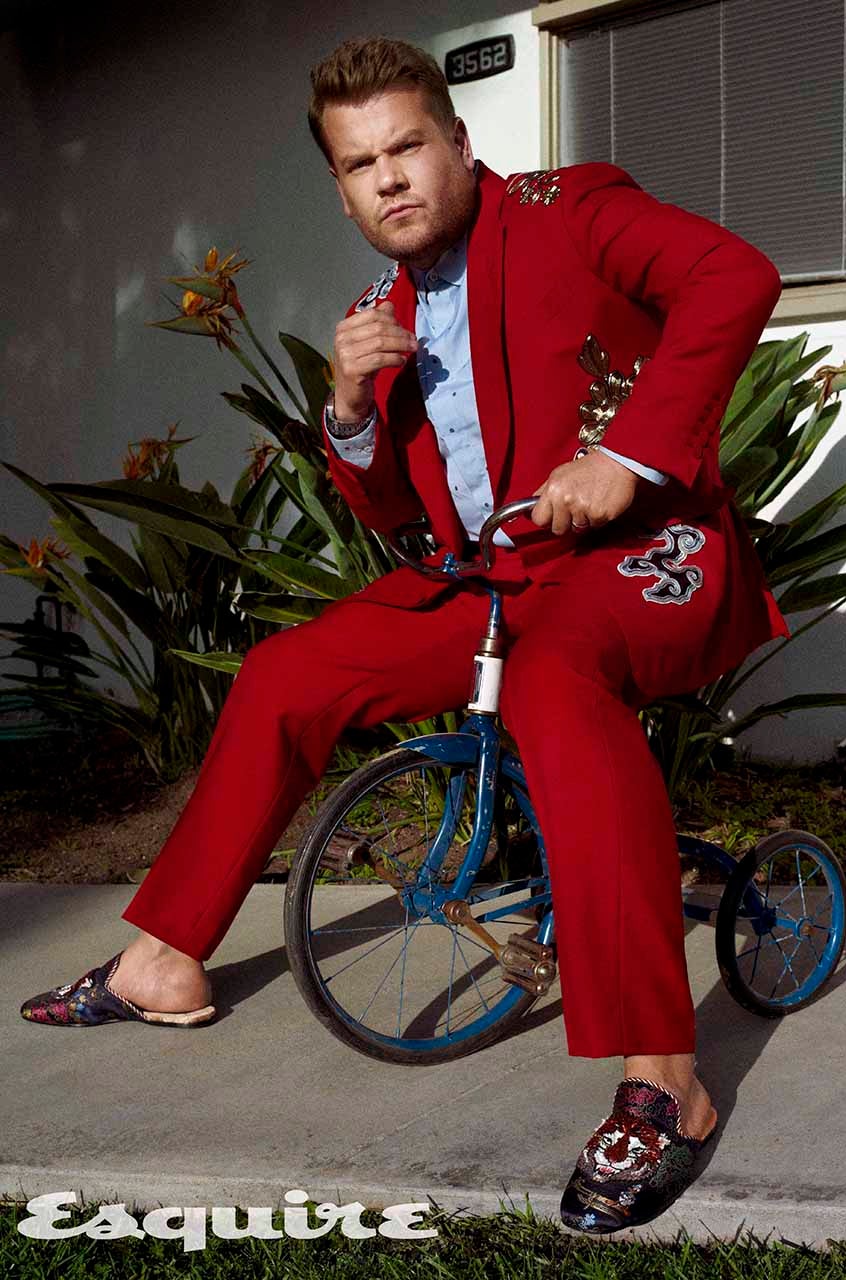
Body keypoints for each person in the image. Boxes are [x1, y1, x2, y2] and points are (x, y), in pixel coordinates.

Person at [20, 36, 787, 1233]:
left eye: (407, 146)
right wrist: (346, 404)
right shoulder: (378, 315)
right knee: (287, 670)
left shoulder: (570, 211)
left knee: (554, 685)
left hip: (638, 557)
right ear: (341, 188)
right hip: (495, 577)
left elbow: (735, 275)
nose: (389, 177)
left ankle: (665, 1079)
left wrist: (628, 455)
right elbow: (390, 511)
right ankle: (164, 959)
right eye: (359, 163)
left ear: (459, 144)